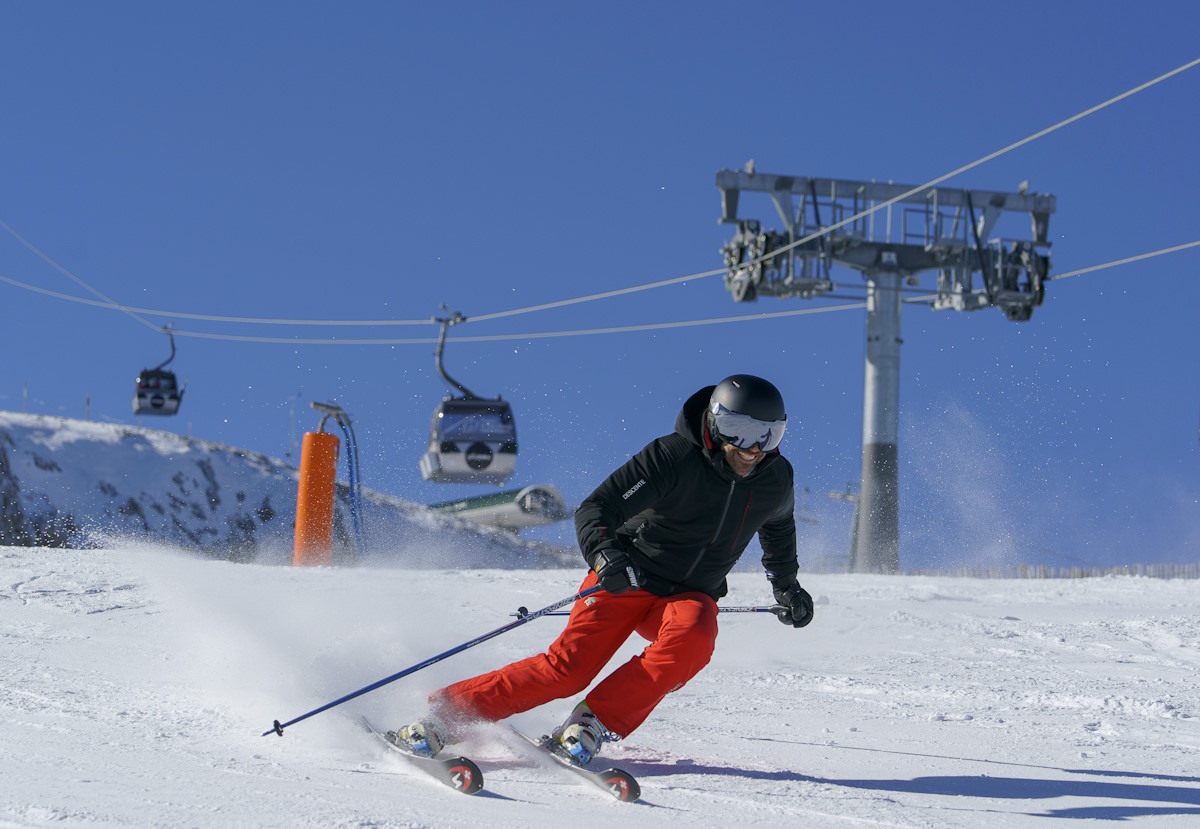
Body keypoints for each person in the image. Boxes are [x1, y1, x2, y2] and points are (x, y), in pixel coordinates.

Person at [398, 374, 814, 764]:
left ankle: (590, 722)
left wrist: (787, 586)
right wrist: (605, 556)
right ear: (714, 421)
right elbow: (598, 508)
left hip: (689, 592)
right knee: (568, 670)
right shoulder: (672, 457)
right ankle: (446, 715)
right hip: (627, 574)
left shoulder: (774, 479)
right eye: (740, 431)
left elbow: (778, 525)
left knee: (695, 636)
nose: (753, 448)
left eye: (768, 434)